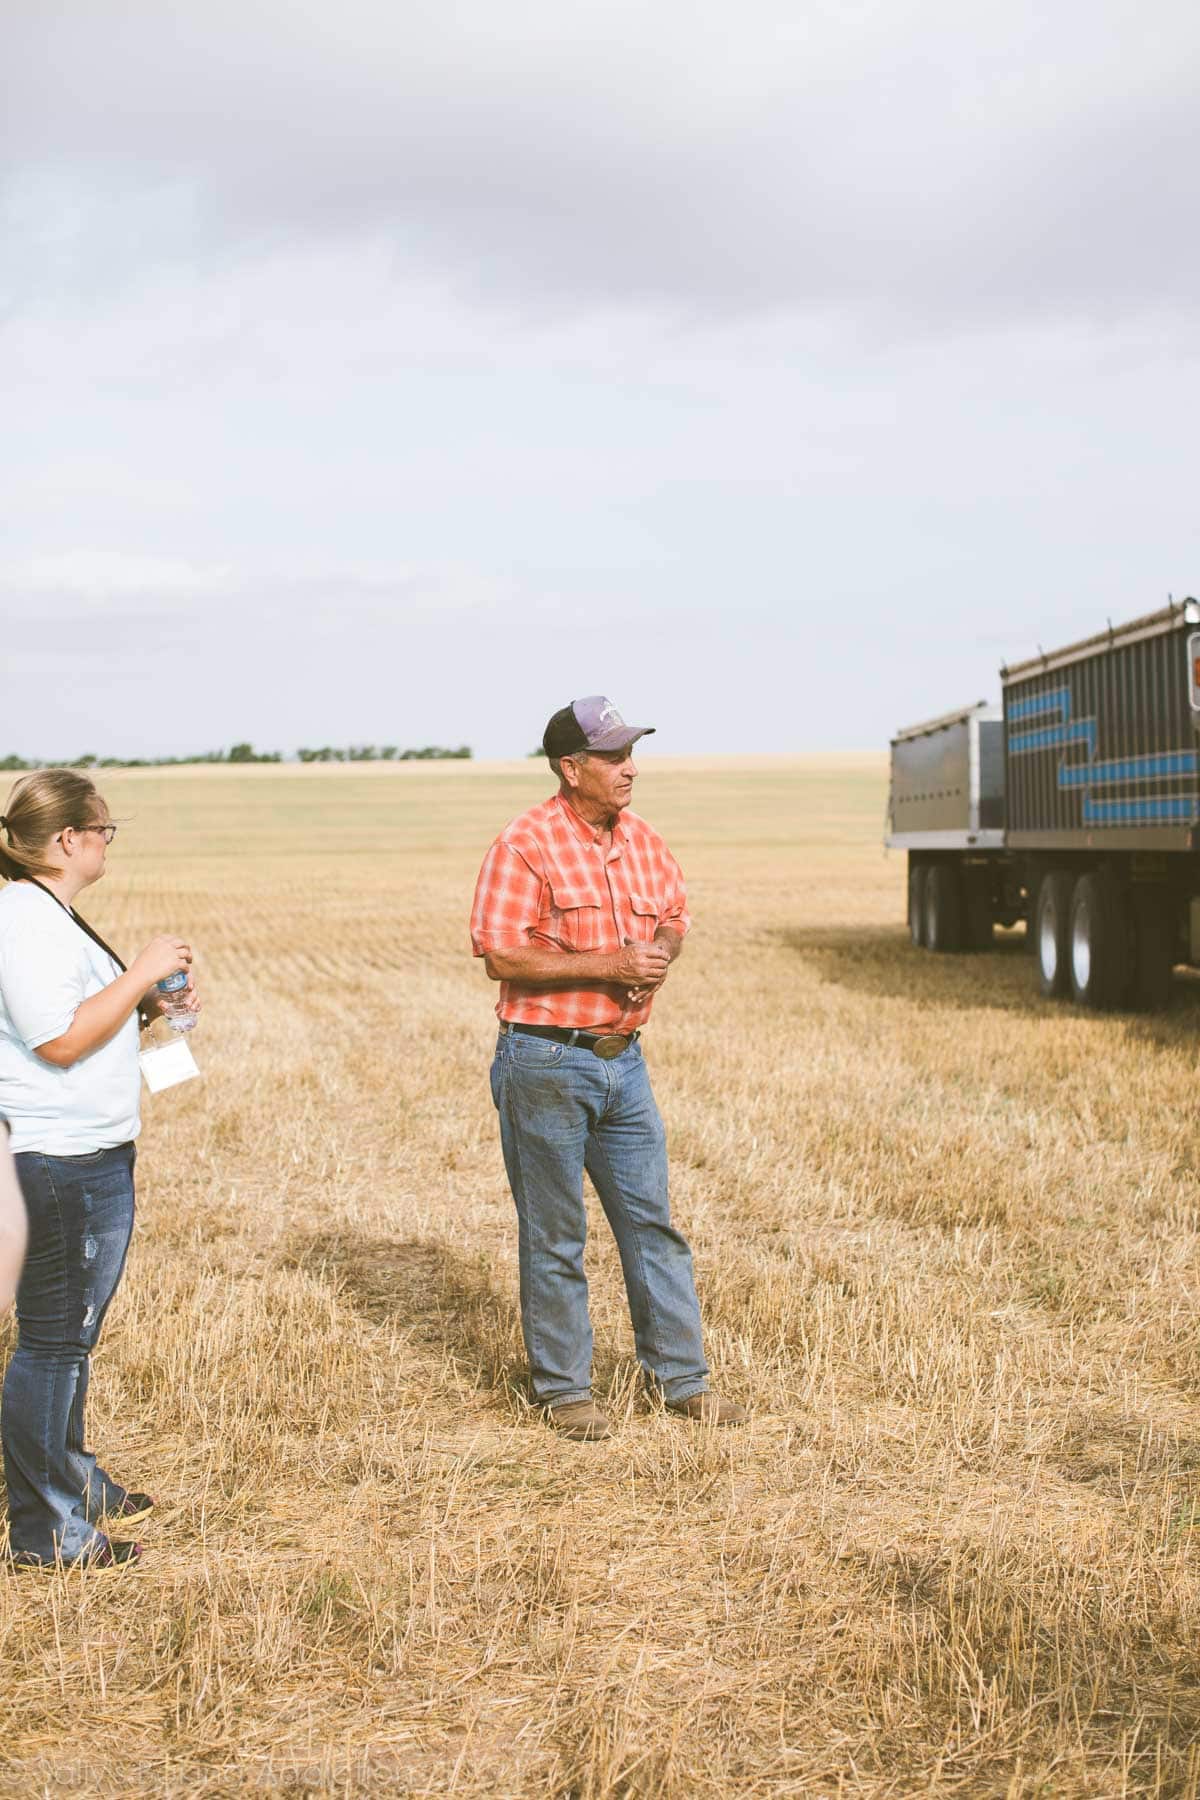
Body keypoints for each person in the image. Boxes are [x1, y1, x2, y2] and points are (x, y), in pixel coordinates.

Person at [470, 696, 747, 1441]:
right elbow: (501, 951)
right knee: (556, 1233)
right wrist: (608, 963)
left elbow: (675, 919)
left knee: (652, 1225)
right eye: (613, 757)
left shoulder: (644, 841)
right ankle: (566, 1393)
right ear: (571, 768)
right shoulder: (525, 844)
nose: (629, 769)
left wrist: (659, 954)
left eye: (631, 754)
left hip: (625, 1063)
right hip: (546, 1060)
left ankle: (682, 1381)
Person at [0, 768, 198, 1568]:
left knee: (70, 1339)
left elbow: (84, 1019)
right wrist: (142, 972)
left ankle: (72, 1478)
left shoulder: (50, 913)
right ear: (67, 840)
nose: (109, 841)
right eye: (104, 829)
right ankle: (46, 1528)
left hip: (90, 1148)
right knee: (51, 1343)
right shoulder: (23, 919)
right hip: (57, 1158)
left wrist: (147, 1007)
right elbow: (59, 1040)